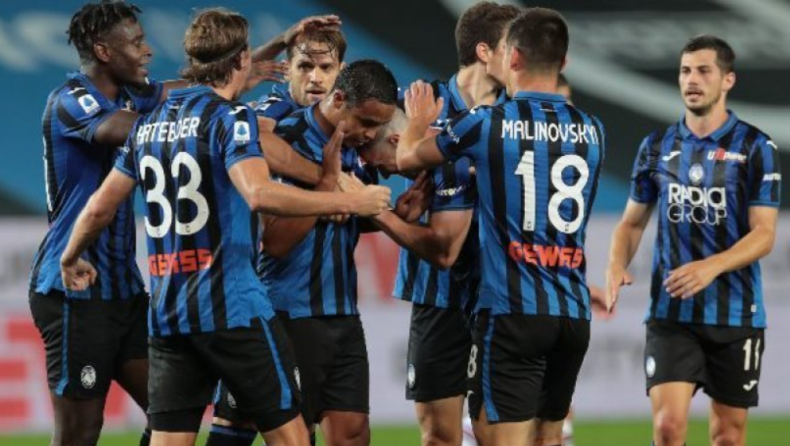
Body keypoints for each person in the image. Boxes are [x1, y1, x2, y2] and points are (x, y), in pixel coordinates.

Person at [59, 8, 390, 446]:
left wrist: (70, 255)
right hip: (233, 308)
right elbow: (258, 194)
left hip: (170, 314)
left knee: (169, 440)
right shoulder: (230, 118)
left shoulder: (147, 127)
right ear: (242, 59)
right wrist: (347, 200)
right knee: (292, 438)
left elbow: (100, 207)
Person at [397, 7, 605, 446]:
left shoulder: (488, 124)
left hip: (506, 304)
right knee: (466, 435)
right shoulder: (592, 129)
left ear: (512, 56)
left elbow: (406, 157)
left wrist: (415, 129)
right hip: (549, 304)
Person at [213, 59, 399, 446]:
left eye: (377, 126)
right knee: (281, 434)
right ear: (340, 99)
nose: (370, 134)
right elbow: (275, 241)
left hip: (342, 313)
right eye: (365, 122)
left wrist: (395, 216)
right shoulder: (288, 140)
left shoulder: (356, 151)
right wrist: (327, 188)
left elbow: (346, 219)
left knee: (353, 435)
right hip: (289, 310)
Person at [605, 35, 780, 446]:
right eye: (685, 71)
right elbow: (631, 223)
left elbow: (764, 233)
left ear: (728, 80)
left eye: (703, 71)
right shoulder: (656, 147)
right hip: (671, 314)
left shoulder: (756, 147)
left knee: (728, 436)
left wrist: (711, 266)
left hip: (735, 315)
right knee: (667, 428)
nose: (692, 80)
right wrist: (615, 263)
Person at [384, 4, 522, 445]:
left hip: (497, 294)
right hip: (437, 293)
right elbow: (374, 151)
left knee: (494, 434)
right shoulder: (419, 103)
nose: (519, 58)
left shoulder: (521, 117)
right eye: (512, 47)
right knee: (438, 434)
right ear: (484, 51)